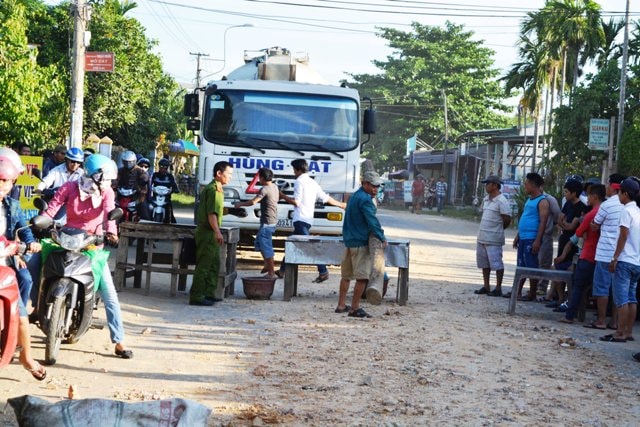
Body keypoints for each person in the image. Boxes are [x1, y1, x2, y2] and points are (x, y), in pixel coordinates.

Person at [41, 154, 133, 359]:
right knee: (35, 265)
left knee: (109, 294)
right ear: (92, 176)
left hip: (92, 245)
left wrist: (111, 232)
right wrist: (43, 219)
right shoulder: (70, 188)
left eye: (109, 180)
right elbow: (53, 206)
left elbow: (110, 213)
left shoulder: (106, 193)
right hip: (66, 239)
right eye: (104, 178)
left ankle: (119, 341)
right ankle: (32, 311)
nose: (107, 183)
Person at [0, 157, 47, 381]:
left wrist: (29, 245)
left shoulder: (12, 205)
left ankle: (26, 357)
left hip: (6, 262)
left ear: (13, 183)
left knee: (20, 304)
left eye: (5, 181)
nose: (1, 185)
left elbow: (23, 229)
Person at [278, 159, 346, 281]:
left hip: (300, 219)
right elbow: (325, 198)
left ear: (298, 170)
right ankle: (282, 271)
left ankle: (323, 271)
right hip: (308, 219)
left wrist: (282, 195)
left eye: (294, 170)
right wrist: (340, 205)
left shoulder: (299, 181)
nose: (294, 172)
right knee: (291, 244)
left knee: (311, 246)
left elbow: (296, 202)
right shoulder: (312, 182)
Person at [335, 171, 387, 318]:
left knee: (346, 276)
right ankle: (354, 308)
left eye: (377, 186)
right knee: (362, 277)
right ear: (365, 184)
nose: (375, 189)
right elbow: (372, 221)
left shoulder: (354, 196)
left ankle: (341, 305)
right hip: (360, 242)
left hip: (349, 241)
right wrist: (381, 237)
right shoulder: (365, 200)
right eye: (373, 186)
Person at [556, 184, 605, 324]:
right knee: (599, 288)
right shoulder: (605, 212)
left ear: (594, 197)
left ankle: (569, 315)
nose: (587, 198)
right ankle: (601, 318)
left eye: (589, 195)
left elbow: (578, 232)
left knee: (578, 286)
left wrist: (579, 224)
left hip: (588, 254)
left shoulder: (592, 214)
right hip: (601, 256)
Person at [600, 177, 640, 343]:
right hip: (636, 261)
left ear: (625, 194)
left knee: (621, 299)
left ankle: (620, 332)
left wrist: (615, 258)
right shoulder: (637, 211)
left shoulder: (626, 211)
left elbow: (623, 236)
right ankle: (628, 331)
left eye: (619, 193)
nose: (618, 196)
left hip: (624, 260)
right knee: (631, 298)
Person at [190, 161, 233, 306]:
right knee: (204, 264)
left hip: (210, 232)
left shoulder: (218, 189)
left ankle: (208, 293)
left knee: (214, 264)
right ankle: (196, 296)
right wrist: (217, 232)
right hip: (208, 232)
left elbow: (217, 210)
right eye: (229, 174)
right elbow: (211, 214)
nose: (230, 177)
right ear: (219, 174)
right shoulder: (214, 190)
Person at [587, 173, 625, 330]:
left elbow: (594, 225)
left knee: (602, 287)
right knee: (617, 288)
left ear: (614, 187)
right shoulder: (630, 206)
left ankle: (601, 320)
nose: (606, 188)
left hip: (605, 252)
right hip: (621, 254)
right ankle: (614, 321)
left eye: (608, 184)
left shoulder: (607, 205)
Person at [547, 179, 588, 310]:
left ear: (574, 193)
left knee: (569, 272)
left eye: (566, 192)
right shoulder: (567, 204)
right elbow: (560, 220)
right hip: (564, 240)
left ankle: (570, 302)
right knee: (556, 269)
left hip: (574, 244)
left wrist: (568, 224)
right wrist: (567, 224)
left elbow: (571, 227)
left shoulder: (582, 207)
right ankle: (560, 298)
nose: (564, 194)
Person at [508, 172, 550, 300]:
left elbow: (543, 222)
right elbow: (525, 218)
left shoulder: (542, 201)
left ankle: (532, 293)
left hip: (532, 238)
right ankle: (517, 291)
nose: (524, 186)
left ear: (533, 185)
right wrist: (518, 236)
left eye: (526, 184)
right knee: (521, 265)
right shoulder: (529, 200)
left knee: (531, 266)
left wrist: (537, 240)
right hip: (524, 237)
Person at [234, 167, 279, 278]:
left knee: (266, 247)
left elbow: (253, 202)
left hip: (267, 222)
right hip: (271, 221)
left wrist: (240, 204)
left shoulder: (264, 189)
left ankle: (271, 273)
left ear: (262, 178)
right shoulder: (274, 187)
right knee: (258, 243)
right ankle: (267, 265)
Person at [473, 175, 511, 297]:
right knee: (484, 263)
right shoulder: (486, 199)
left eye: (488, 183)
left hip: (494, 238)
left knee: (497, 263)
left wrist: (498, 229)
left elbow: (507, 219)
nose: (486, 186)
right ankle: (486, 286)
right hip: (482, 236)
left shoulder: (502, 201)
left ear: (495, 185)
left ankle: (498, 287)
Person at [115, 150, 150, 220]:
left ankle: (145, 226)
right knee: (111, 206)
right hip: (122, 194)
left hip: (137, 195)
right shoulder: (120, 171)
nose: (128, 163)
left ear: (134, 161)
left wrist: (141, 186)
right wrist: (114, 186)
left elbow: (145, 179)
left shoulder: (140, 171)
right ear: (123, 161)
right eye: (126, 161)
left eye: (130, 162)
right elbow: (115, 180)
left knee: (144, 208)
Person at [150, 158, 180, 223]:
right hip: (155, 198)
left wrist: (174, 190)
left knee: (169, 211)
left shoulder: (170, 177)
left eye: (165, 167)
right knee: (149, 207)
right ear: (159, 167)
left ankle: (171, 225)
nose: (163, 169)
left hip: (166, 199)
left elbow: (175, 186)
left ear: (167, 168)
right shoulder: (154, 175)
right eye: (161, 166)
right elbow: (149, 183)